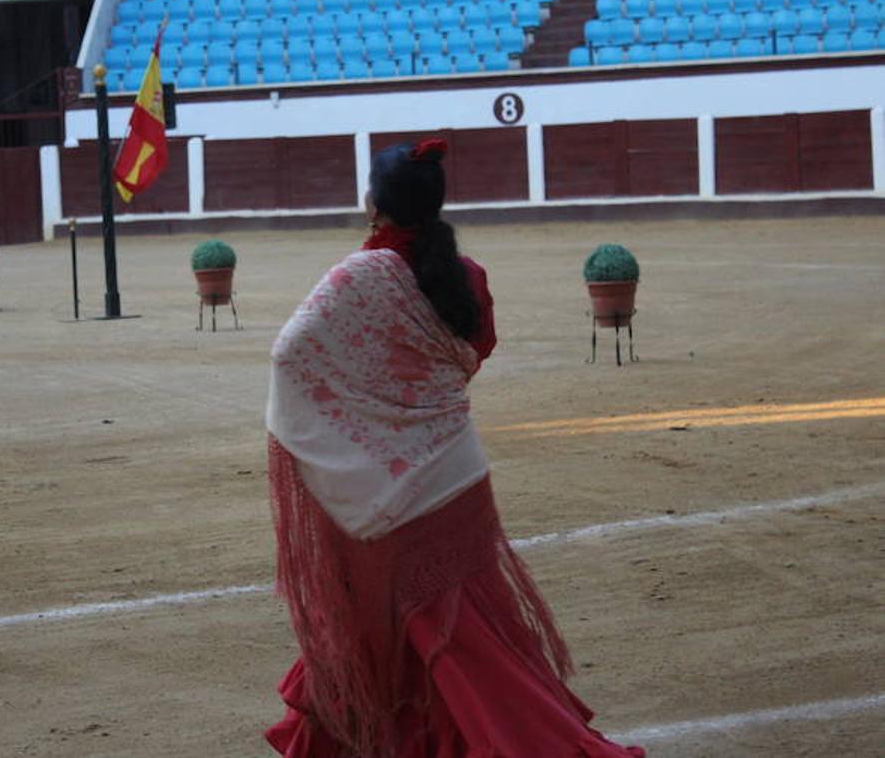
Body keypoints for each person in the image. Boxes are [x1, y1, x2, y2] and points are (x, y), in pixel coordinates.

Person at [264, 139, 645, 758]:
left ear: (373, 206)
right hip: (456, 476)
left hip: (386, 497)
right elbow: (472, 352)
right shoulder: (464, 276)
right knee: (471, 639)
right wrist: (414, 411)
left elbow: (291, 354)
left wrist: (367, 428)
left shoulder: (359, 277)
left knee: (374, 629)